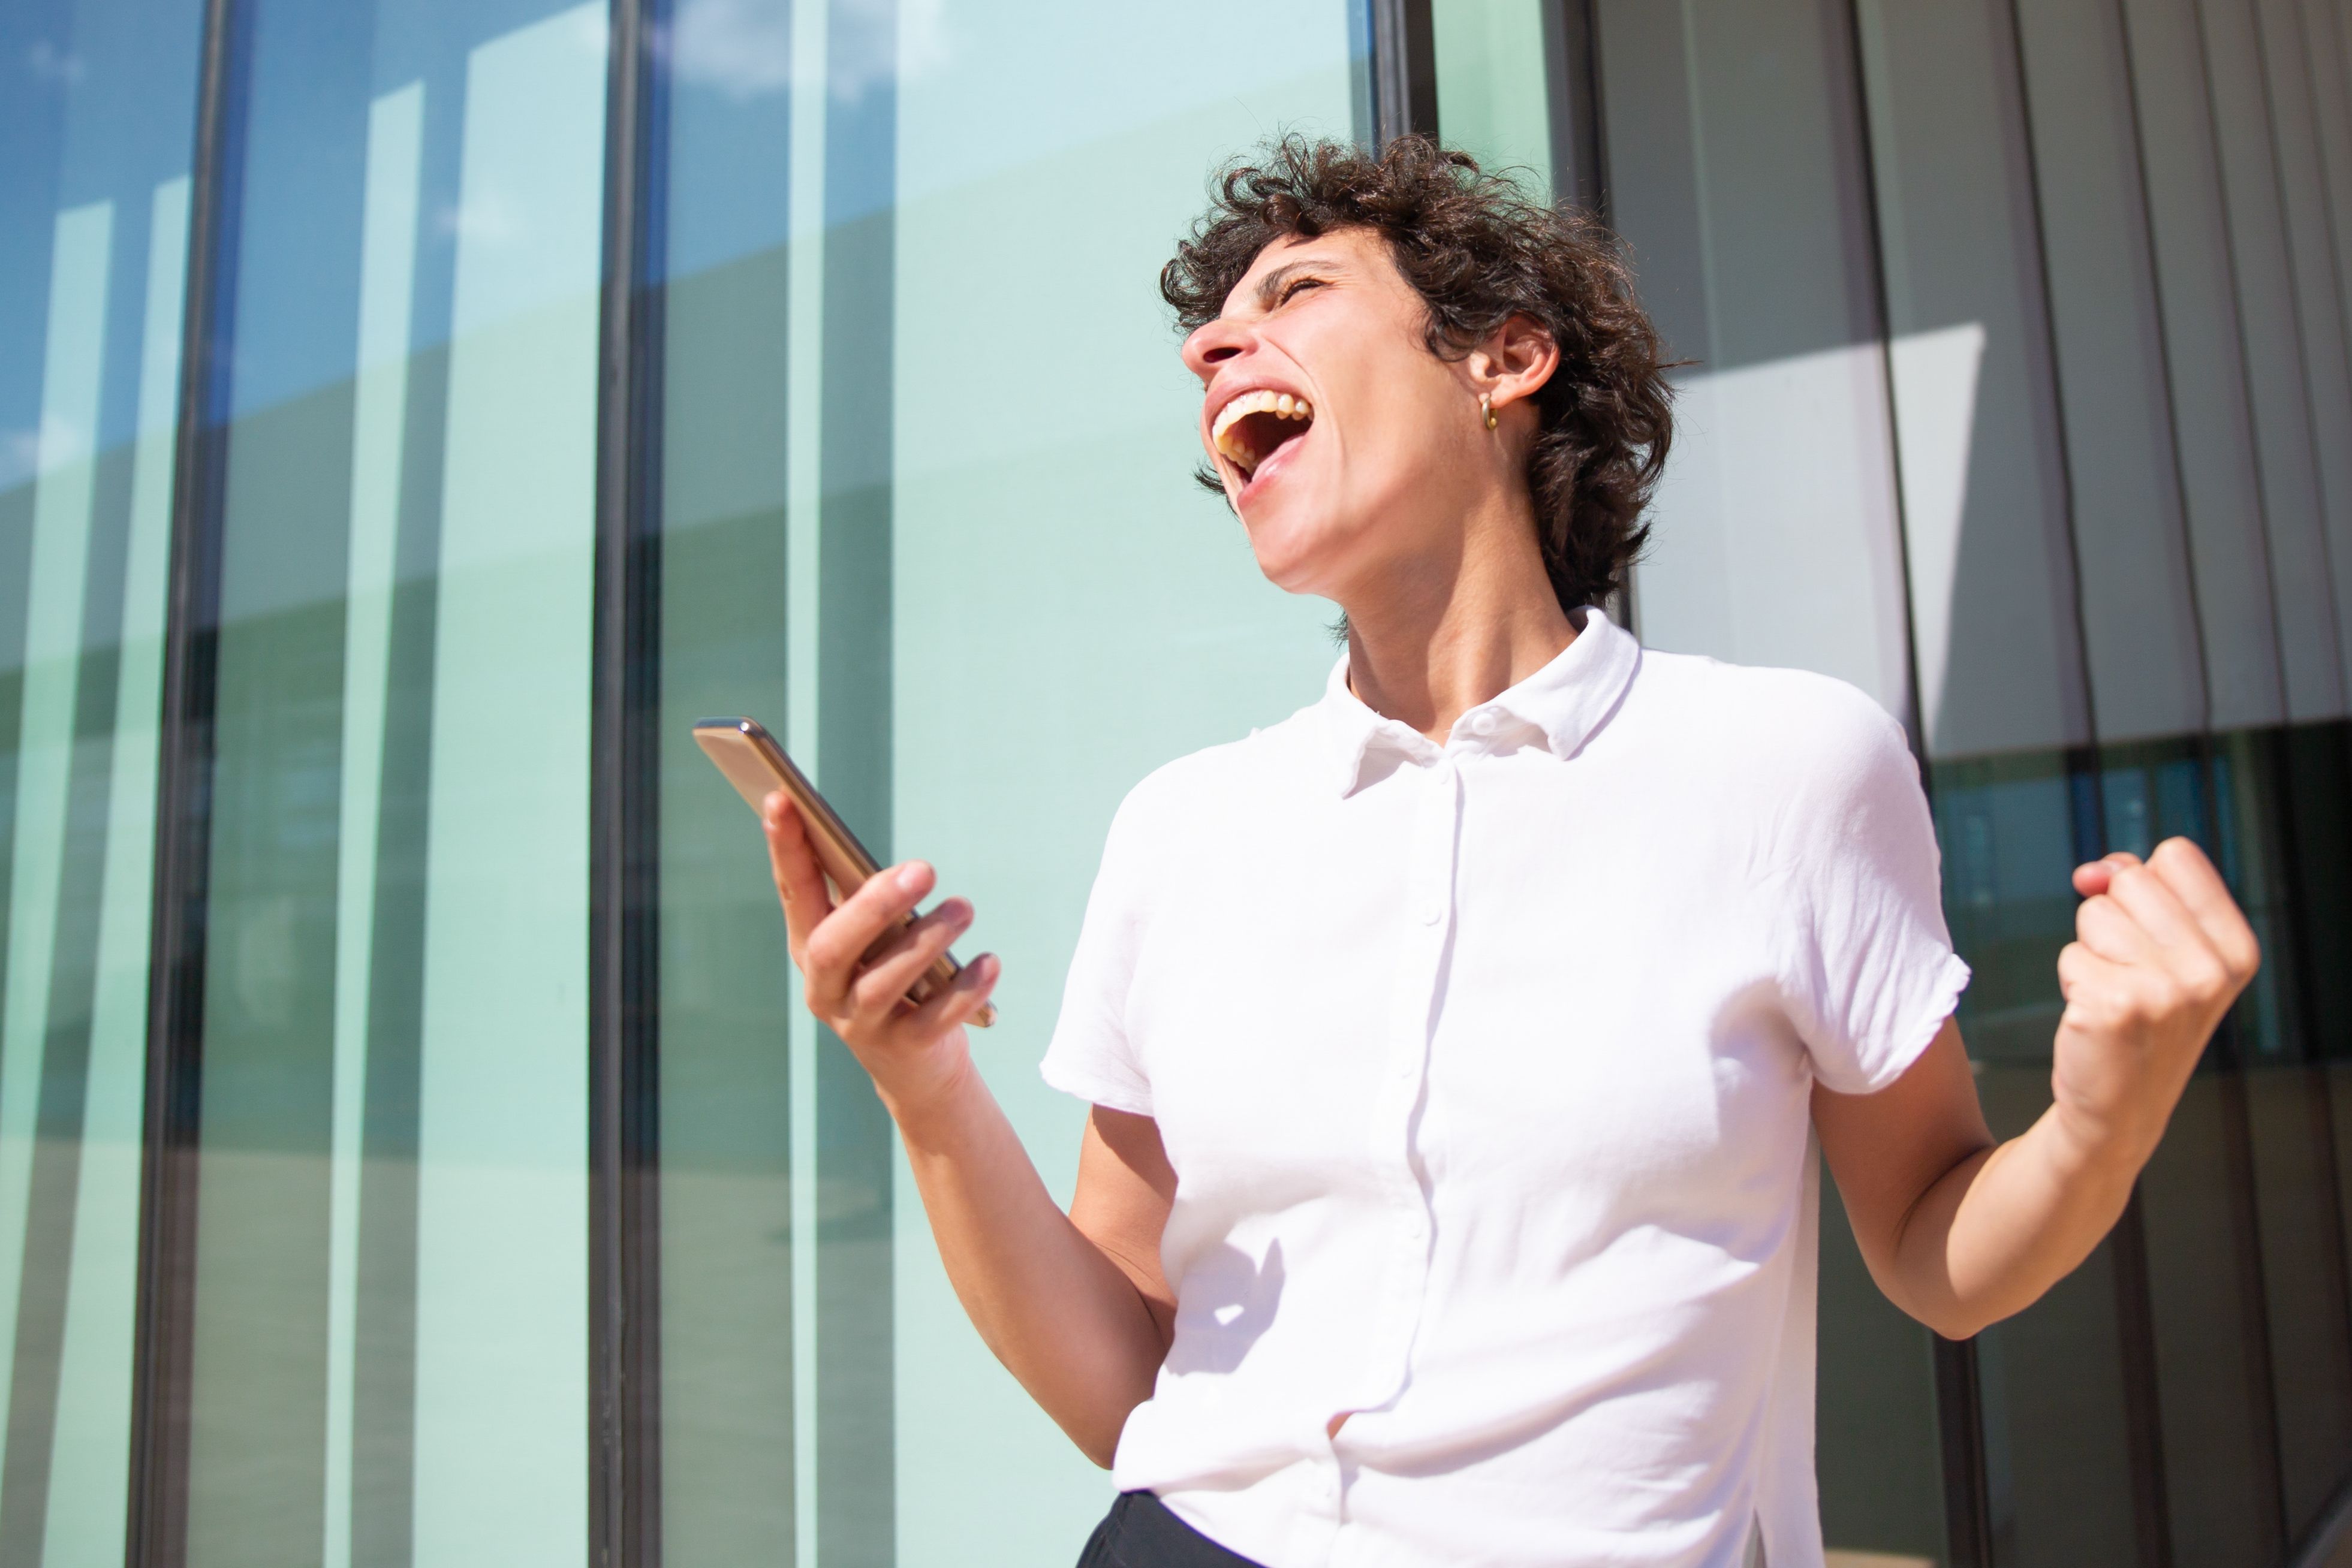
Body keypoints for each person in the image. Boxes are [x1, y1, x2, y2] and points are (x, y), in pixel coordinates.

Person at [756, 136, 2260, 1568]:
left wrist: (2101, 1119)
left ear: (1504, 358)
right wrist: (927, 1089)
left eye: (1292, 296)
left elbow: (1938, 1251)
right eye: (1206, 335)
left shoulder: (1785, 767)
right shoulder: (1180, 831)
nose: (1214, 352)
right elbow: (1128, 1384)